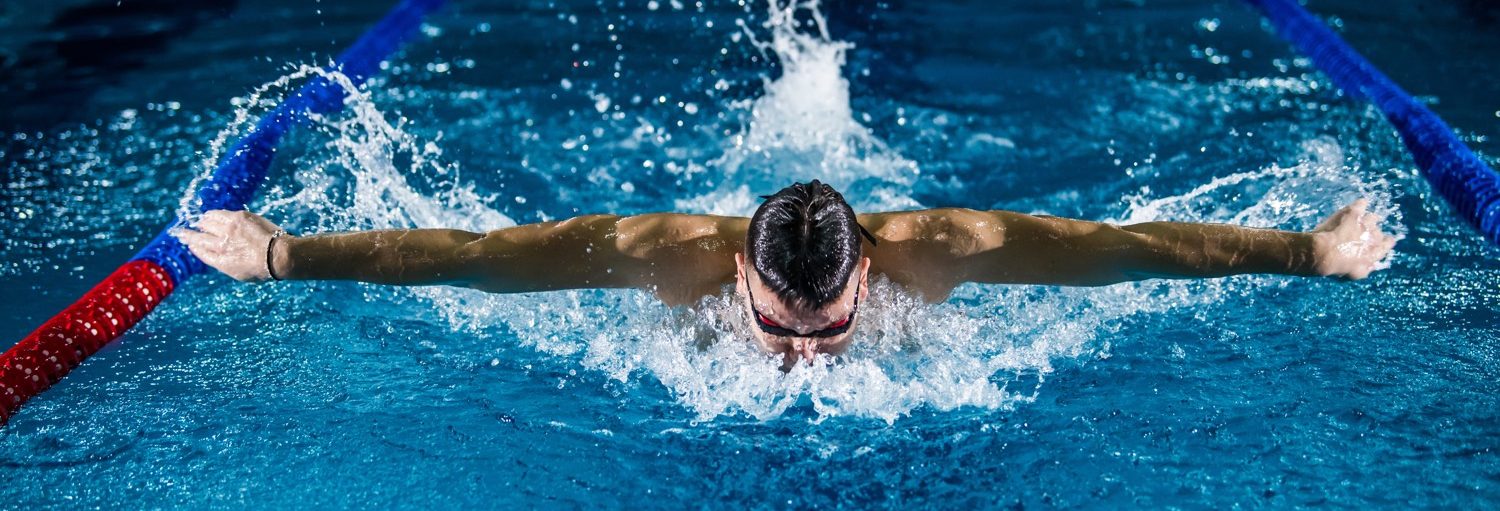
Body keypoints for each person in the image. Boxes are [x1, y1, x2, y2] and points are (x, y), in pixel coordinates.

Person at [174, 180, 1395, 367]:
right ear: (736, 274)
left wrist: (1310, 252)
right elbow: (477, 261)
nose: (802, 356)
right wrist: (281, 255)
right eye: (777, 326)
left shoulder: (951, 247)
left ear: (871, 271)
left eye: (828, 328)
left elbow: (1129, 249)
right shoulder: (658, 255)